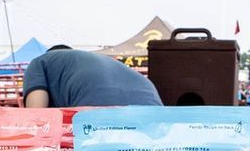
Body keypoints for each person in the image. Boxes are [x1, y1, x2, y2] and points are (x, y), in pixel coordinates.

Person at [22, 45, 162, 108]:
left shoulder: (40, 61)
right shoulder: (96, 59)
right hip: (154, 108)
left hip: (99, 111)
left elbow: (36, 115)